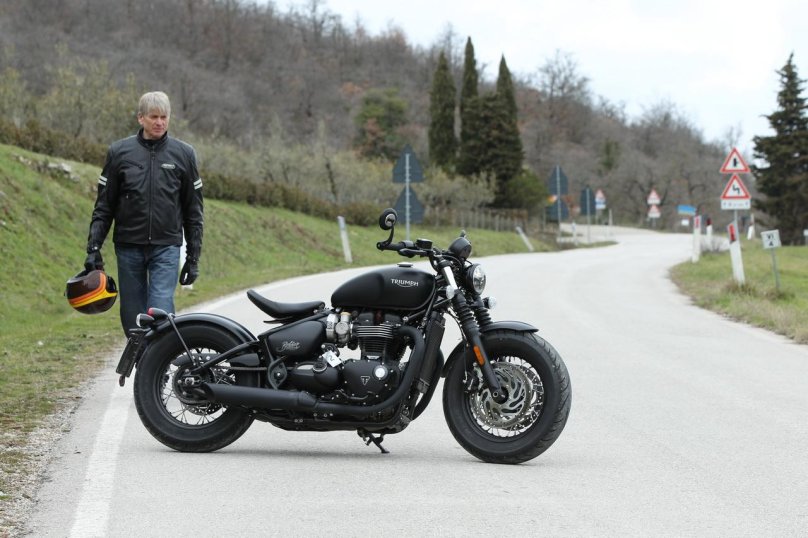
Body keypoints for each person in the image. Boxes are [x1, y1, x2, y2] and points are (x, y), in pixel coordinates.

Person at [83, 91, 204, 335]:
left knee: (160, 312)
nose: (159, 122)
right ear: (141, 118)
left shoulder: (184, 154)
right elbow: (104, 206)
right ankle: (142, 368)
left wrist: (193, 257)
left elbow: (194, 211)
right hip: (128, 247)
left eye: (164, 117)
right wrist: (93, 249)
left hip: (166, 246)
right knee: (132, 316)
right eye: (154, 117)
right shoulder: (119, 153)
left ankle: (159, 367)